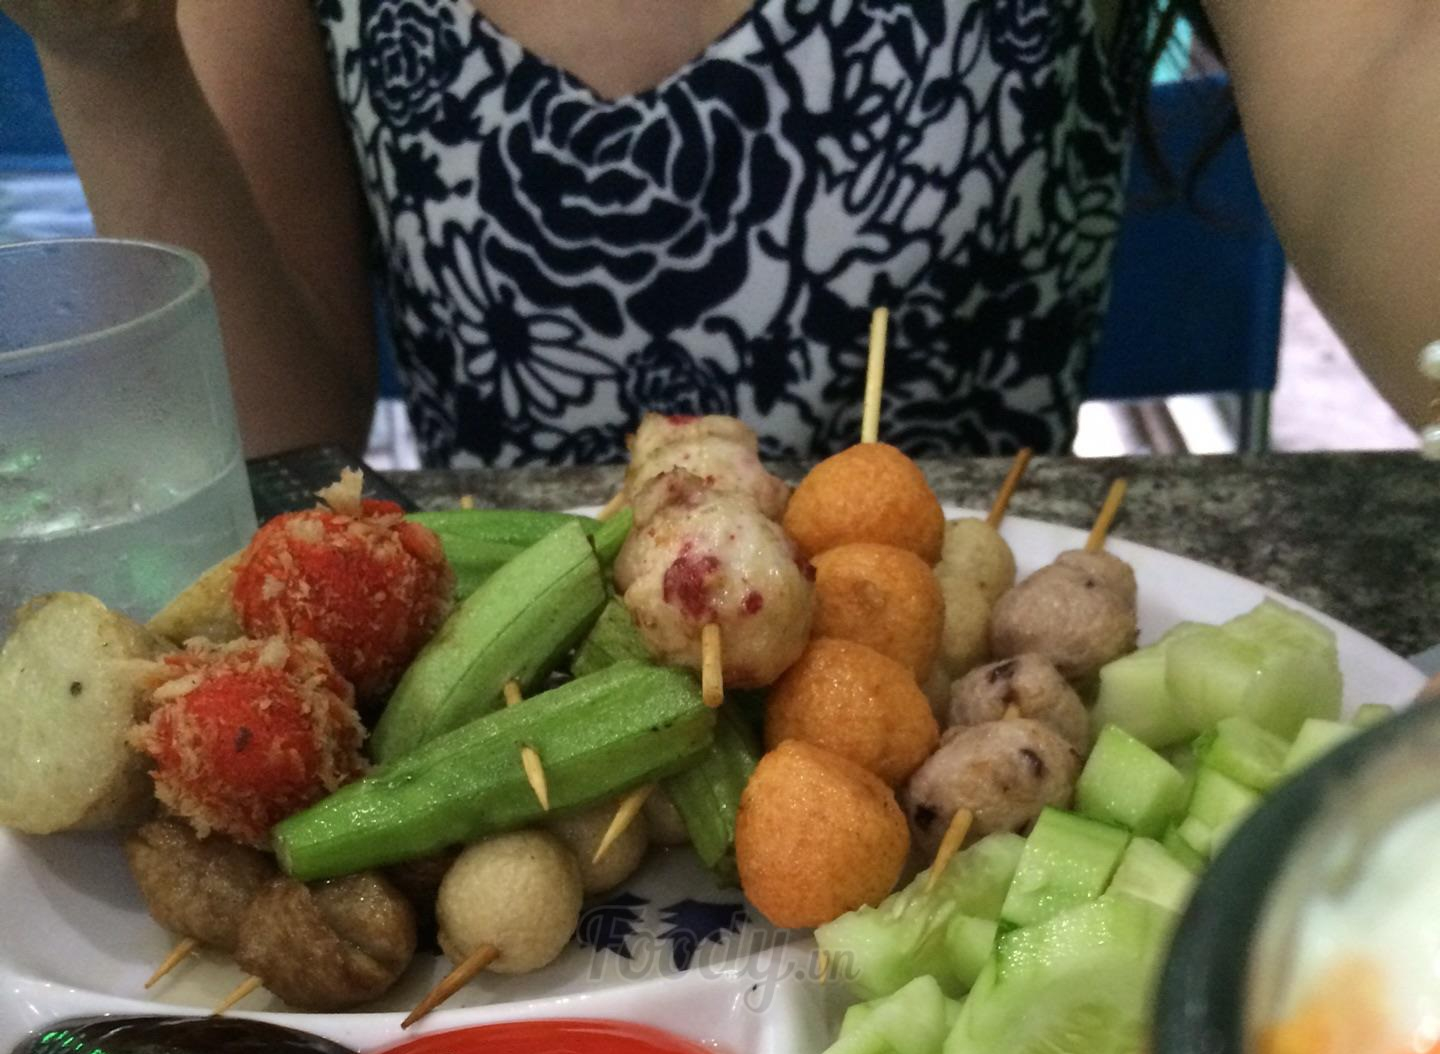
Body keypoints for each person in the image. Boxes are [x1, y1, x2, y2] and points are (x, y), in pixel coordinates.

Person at [4, 1, 1436, 464]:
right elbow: (276, 444)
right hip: (502, 779)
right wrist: (107, 51)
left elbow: (1384, 85)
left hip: (995, 756)